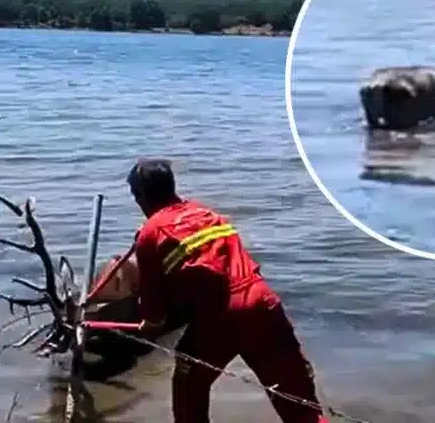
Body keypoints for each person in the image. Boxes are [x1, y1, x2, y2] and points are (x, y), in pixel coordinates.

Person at [126, 158, 329, 423]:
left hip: (220, 315)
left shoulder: (150, 234)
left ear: (140, 196)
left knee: (189, 387)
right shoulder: (207, 214)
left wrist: (149, 325)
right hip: (262, 303)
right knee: (299, 401)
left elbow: (154, 311)